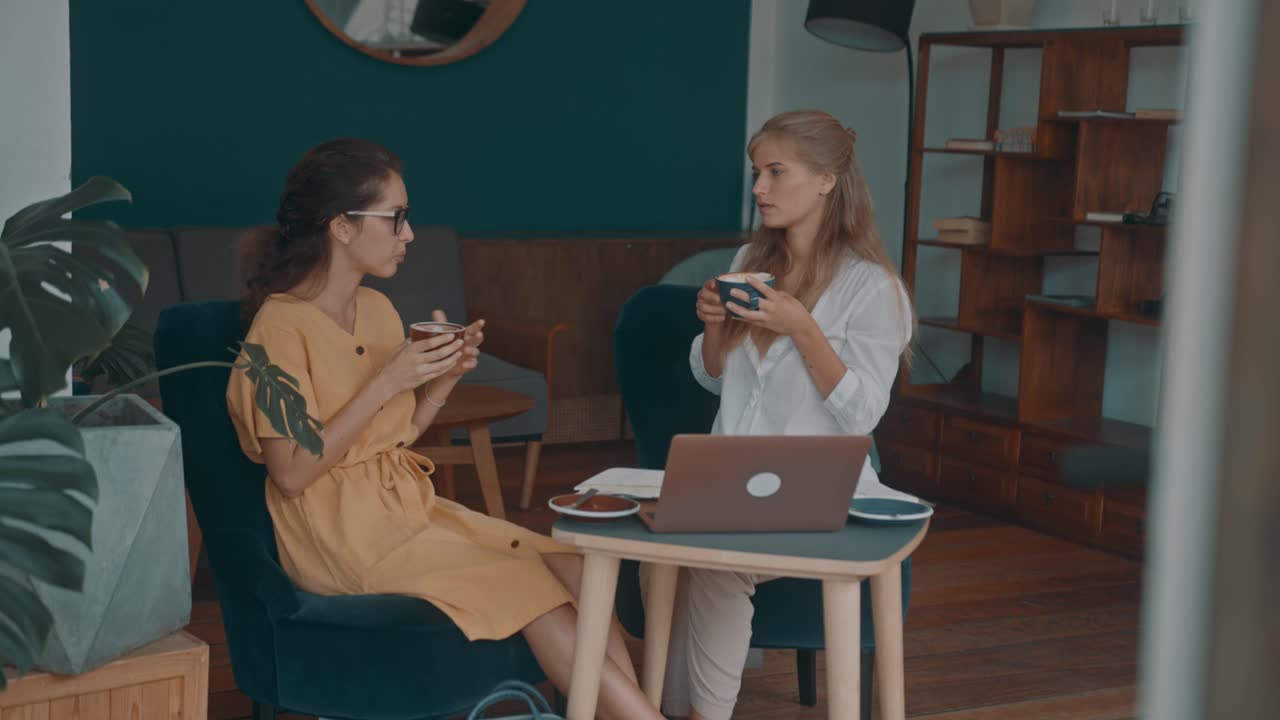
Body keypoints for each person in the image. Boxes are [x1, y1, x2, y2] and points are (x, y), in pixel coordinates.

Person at [225, 138, 661, 720]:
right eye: (395, 217)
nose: (408, 234)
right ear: (341, 226)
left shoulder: (377, 309)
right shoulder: (279, 330)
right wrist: (387, 380)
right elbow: (291, 473)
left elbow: (399, 434)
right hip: (341, 534)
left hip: (409, 512)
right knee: (534, 590)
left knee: (580, 569)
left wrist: (443, 378)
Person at [649, 109, 917, 720]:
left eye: (775, 172)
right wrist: (714, 327)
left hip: (822, 494)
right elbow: (715, 377)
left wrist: (803, 328)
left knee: (714, 565)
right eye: (756, 172)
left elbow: (863, 414)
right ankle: (661, 710)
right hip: (731, 482)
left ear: (826, 181)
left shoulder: (871, 288)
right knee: (658, 560)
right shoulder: (752, 259)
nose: (759, 188)